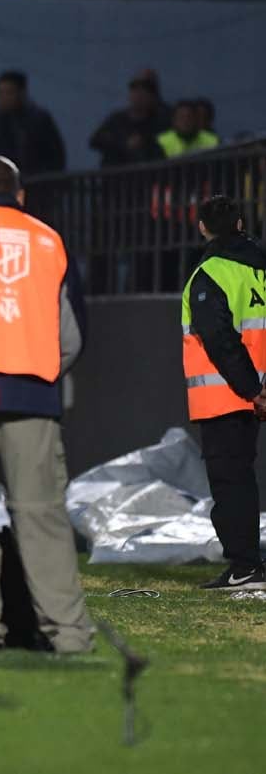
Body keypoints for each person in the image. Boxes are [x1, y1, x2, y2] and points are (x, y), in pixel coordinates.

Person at [0, 154, 93, 653]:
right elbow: (70, 337)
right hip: (33, 398)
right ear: (21, 193)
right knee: (43, 516)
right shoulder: (49, 240)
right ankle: (69, 635)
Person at [180, 196, 266, 590]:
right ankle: (248, 565)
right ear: (240, 222)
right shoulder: (261, 269)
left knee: (231, 481)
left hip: (230, 396)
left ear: (202, 228)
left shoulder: (209, 274)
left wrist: (252, 389)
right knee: (242, 477)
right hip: (255, 393)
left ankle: (245, 567)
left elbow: (219, 339)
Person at [0, 71, 66, 177]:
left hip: (35, 184)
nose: (4, 97)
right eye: (0, 93)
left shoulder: (39, 120)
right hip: (2, 185)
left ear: (21, 93)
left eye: (9, 92)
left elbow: (56, 158)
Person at [88, 72, 168, 167]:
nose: (138, 97)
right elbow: (95, 141)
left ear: (151, 98)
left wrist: (145, 144)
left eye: (143, 94)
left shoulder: (159, 122)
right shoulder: (116, 119)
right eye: (134, 92)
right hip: (114, 177)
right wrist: (123, 143)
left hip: (145, 176)